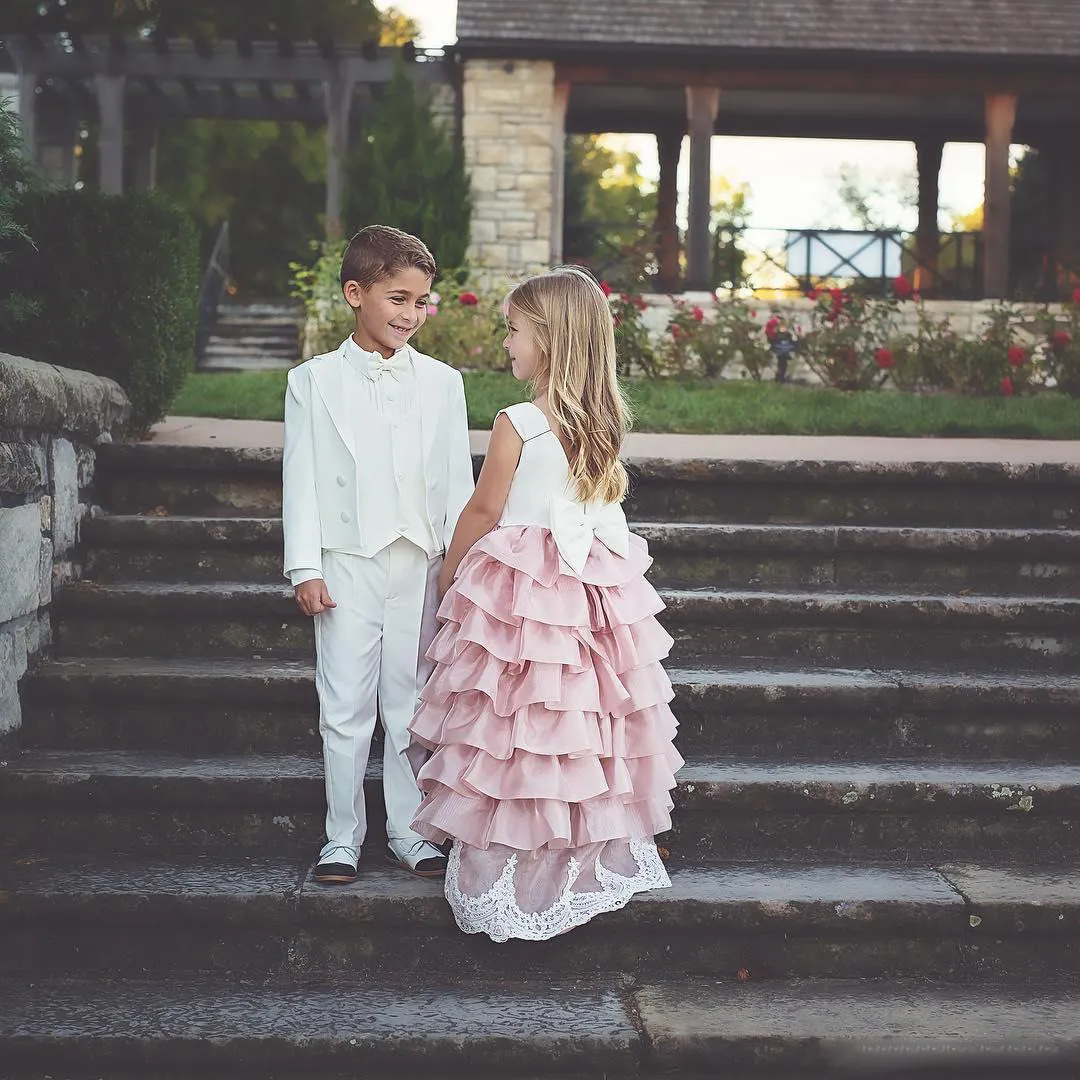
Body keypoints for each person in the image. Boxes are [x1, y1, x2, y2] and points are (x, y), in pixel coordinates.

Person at [408, 265, 682, 941]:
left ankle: (506, 854)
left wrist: (452, 571)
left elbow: (485, 506)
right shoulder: (605, 418)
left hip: (525, 586)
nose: (506, 343)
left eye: (514, 330)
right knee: (574, 721)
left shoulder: (520, 422)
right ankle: (564, 841)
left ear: (550, 340)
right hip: (586, 584)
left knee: (512, 719)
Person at [283, 225, 474, 885]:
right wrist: (304, 566)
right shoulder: (312, 381)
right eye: (399, 298)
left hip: (416, 564)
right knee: (344, 705)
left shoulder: (443, 384)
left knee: (410, 703)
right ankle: (341, 836)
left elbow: (457, 485)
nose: (411, 315)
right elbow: (301, 476)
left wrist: (458, 569)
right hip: (345, 563)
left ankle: (408, 830)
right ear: (354, 293)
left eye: (422, 302)